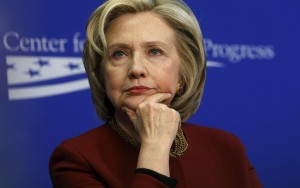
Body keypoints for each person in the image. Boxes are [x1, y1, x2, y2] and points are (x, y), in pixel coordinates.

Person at [49, 0, 262, 187]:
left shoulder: (227, 148)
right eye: (119, 54)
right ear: (102, 74)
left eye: (154, 51)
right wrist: (154, 148)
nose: (136, 69)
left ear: (183, 72)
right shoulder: (76, 158)